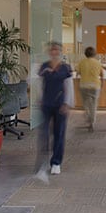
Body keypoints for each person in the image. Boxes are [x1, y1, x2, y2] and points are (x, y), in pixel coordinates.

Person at [34, 41, 74, 181]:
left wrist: (67, 103)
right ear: (49, 52)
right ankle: (43, 161)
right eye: (52, 50)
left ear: (60, 52)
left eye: (57, 50)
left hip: (60, 105)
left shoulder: (65, 68)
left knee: (59, 132)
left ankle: (56, 162)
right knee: (44, 133)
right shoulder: (44, 67)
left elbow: (69, 86)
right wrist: (39, 99)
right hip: (46, 103)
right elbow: (39, 84)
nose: (54, 52)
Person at [76, 46, 106, 132]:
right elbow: (102, 75)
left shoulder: (81, 62)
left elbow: (77, 72)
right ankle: (92, 122)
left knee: (86, 104)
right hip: (95, 86)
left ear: (85, 54)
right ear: (94, 54)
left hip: (84, 85)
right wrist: (102, 85)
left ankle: (88, 117)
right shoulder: (98, 63)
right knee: (93, 105)